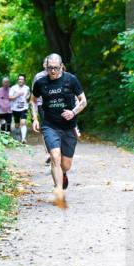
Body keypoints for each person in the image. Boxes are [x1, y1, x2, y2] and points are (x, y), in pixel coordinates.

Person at [31, 53, 86, 204]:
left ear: (61, 66)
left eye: (55, 68)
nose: (53, 71)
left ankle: (64, 174)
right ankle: (59, 191)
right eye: (49, 68)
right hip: (50, 125)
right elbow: (34, 100)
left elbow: (83, 100)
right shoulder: (41, 83)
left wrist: (73, 112)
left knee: (65, 164)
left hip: (68, 127)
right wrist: (35, 118)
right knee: (55, 156)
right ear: (46, 67)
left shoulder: (71, 80)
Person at [9, 74, 31, 143]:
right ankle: (17, 135)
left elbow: (28, 96)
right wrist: (17, 95)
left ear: (24, 80)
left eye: (22, 79)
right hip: (15, 108)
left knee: (23, 122)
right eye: (19, 79)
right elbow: (10, 97)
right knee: (17, 124)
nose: (21, 80)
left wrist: (28, 97)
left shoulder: (27, 88)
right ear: (17, 80)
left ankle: (23, 139)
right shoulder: (13, 88)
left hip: (24, 108)